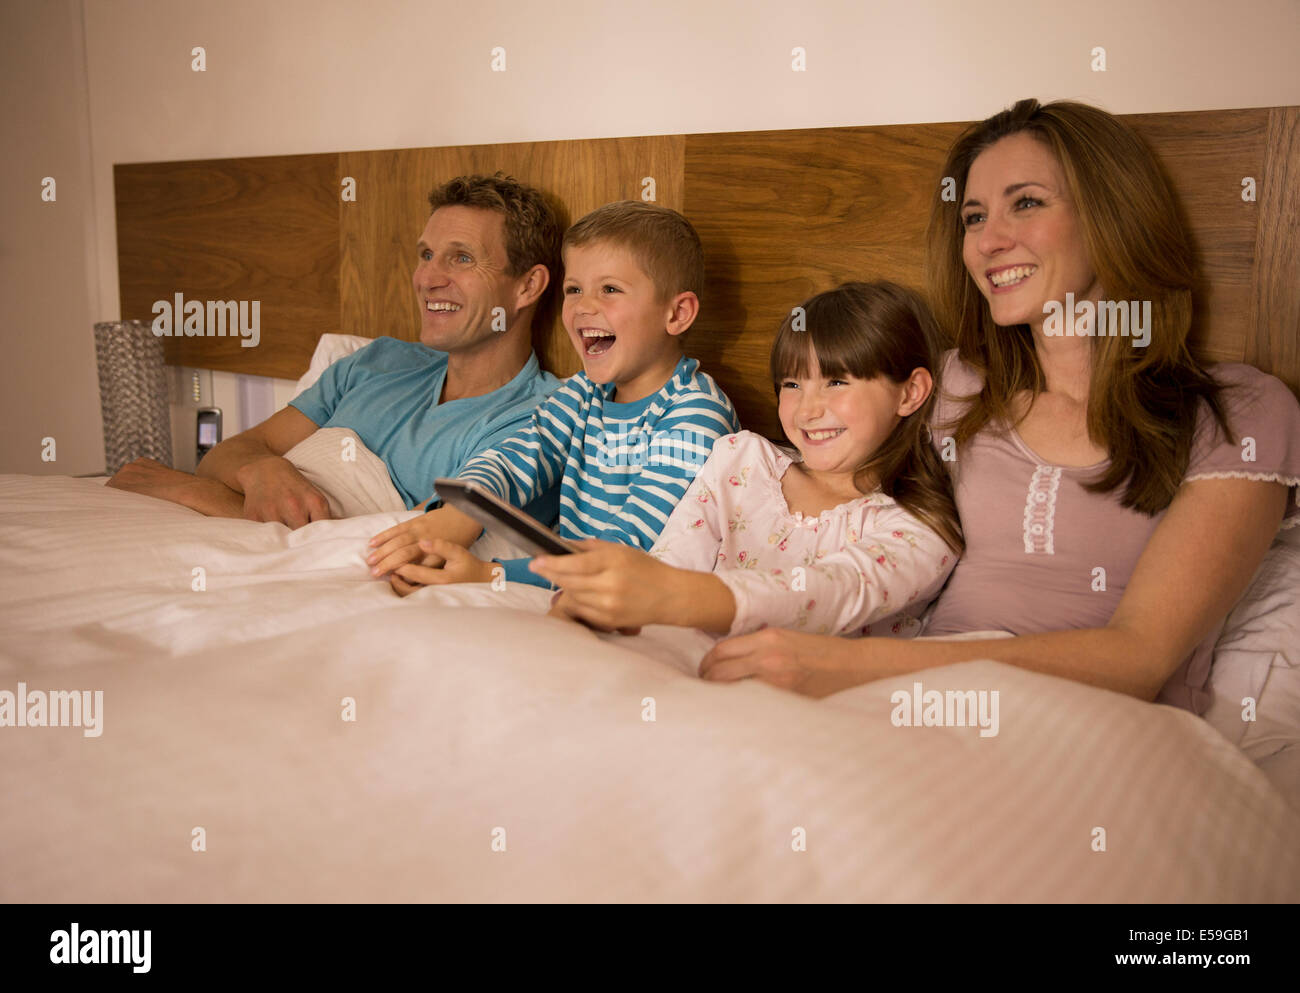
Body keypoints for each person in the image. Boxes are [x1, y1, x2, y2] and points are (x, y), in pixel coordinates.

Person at [696, 98, 1300, 708]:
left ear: (1112, 214)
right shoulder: (951, 389)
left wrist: (848, 663)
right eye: (974, 217)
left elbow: (1139, 657)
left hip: (1100, 730)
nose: (988, 241)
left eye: (1027, 203)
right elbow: (822, 497)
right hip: (912, 706)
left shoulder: (1238, 413)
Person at [106, 173, 563, 530]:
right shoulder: (376, 363)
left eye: (460, 257)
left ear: (528, 285)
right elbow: (231, 453)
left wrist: (191, 491)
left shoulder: (535, 421)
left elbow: (409, 544)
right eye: (426, 255)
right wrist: (261, 470)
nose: (427, 278)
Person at [529, 281, 961, 643]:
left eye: (835, 381)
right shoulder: (742, 461)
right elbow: (672, 560)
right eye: (792, 383)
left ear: (909, 392)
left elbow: (831, 595)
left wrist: (671, 595)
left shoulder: (921, 528)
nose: (807, 410)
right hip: (688, 668)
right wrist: (607, 605)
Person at [367, 200, 741, 591]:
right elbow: (519, 455)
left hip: (637, 598)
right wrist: (460, 513)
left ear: (677, 314)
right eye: (574, 289)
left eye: (610, 289)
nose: (583, 307)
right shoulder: (584, 392)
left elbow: (632, 548)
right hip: (572, 580)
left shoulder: (696, 413)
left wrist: (490, 575)